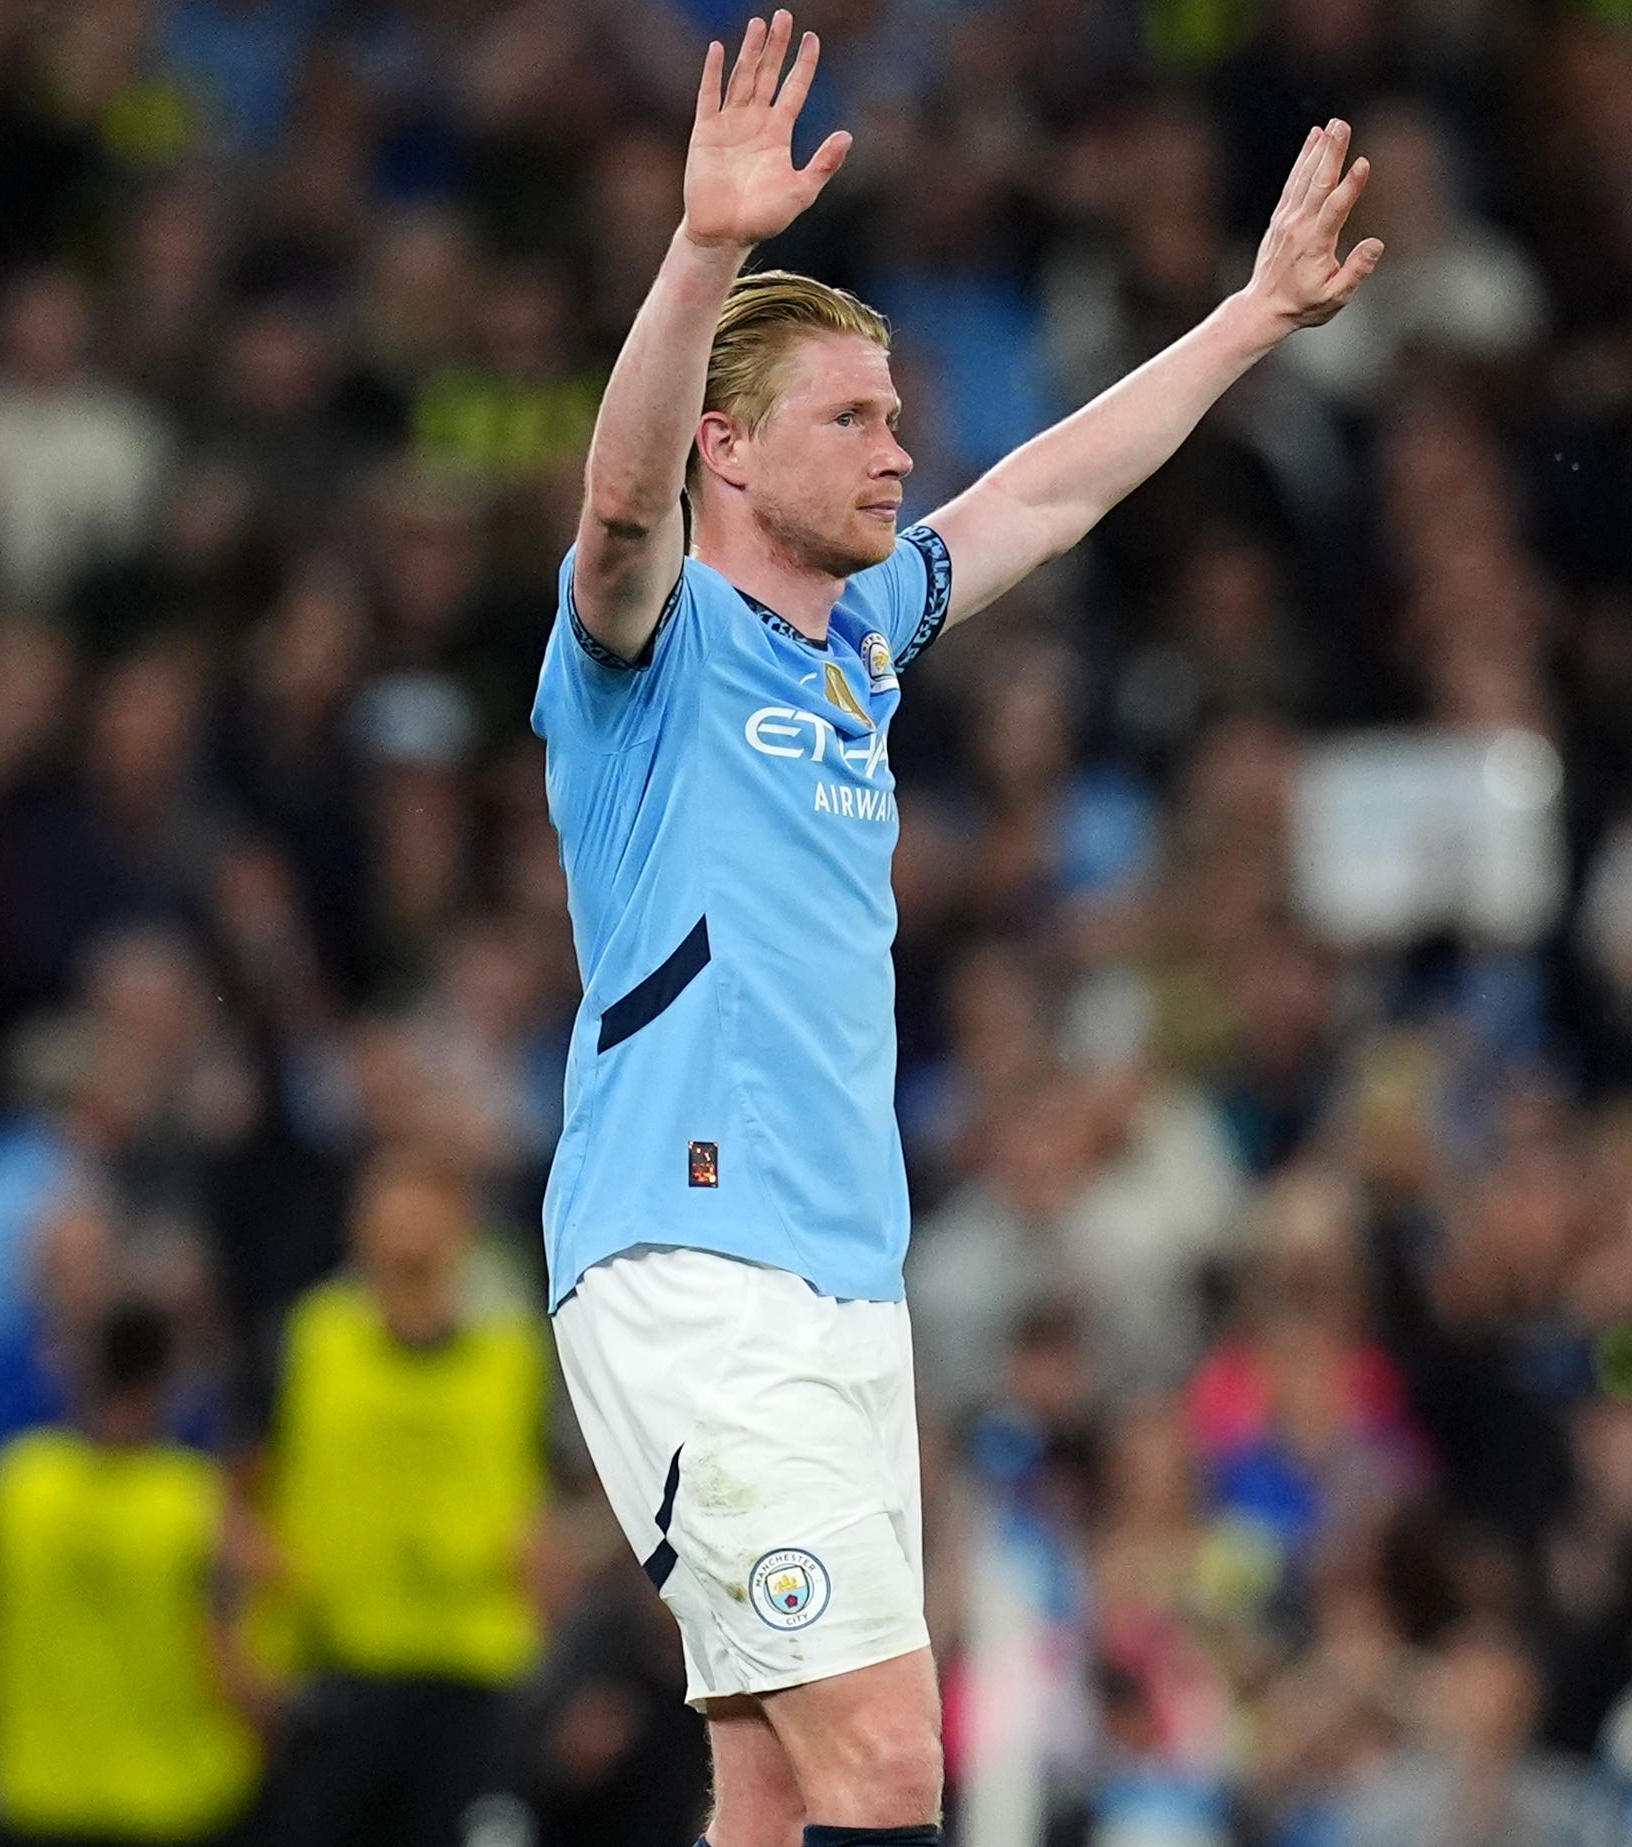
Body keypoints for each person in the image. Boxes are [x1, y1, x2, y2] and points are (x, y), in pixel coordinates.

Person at [531, 13, 1380, 1847]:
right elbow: (616, 504)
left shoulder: (860, 645)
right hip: (694, 1256)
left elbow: (1051, 494)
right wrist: (702, 251)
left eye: (900, 418)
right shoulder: (648, 653)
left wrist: (1249, 316)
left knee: (766, 1782)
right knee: (897, 1770)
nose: (899, 454)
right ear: (732, 454)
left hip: (842, 1280)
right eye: (855, 419)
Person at [255, 1153, 551, 1847]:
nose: (408, 1246)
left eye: (426, 1224)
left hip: (472, 1662)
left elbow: (559, 1484)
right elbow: (253, 1471)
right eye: (391, 1226)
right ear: (360, 1236)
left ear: (461, 1234)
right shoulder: (313, 1338)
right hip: (338, 1661)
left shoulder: (513, 1352)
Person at [0, 1298, 263, 1847]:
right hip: (171, 1800)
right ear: (167, 1380)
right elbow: (229, 1660)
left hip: (33, 1795)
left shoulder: (17, 1482)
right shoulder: (195, 1501)